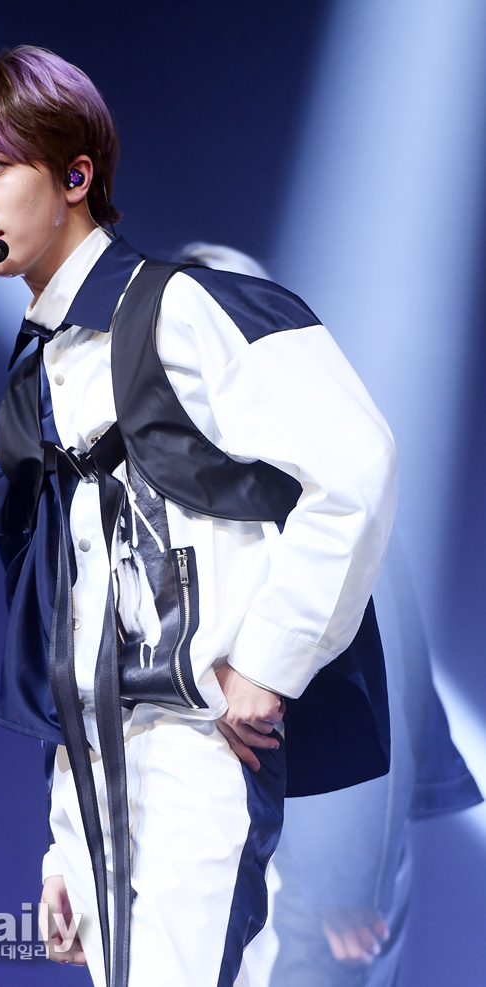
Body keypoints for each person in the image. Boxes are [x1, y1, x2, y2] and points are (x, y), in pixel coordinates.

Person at [0, 46, 398, 987]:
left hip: (198, 748)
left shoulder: (186, 308)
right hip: (101, 770)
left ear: (75, 175)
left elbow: (356, 462)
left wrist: (269, 662)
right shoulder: (37, 375)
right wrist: (61, 841)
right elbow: (69, 616)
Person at [176, 244, 482, 987]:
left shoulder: (324, 497)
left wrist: (347, 872)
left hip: (317, 877)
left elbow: (387, 686)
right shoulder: (193, 489)